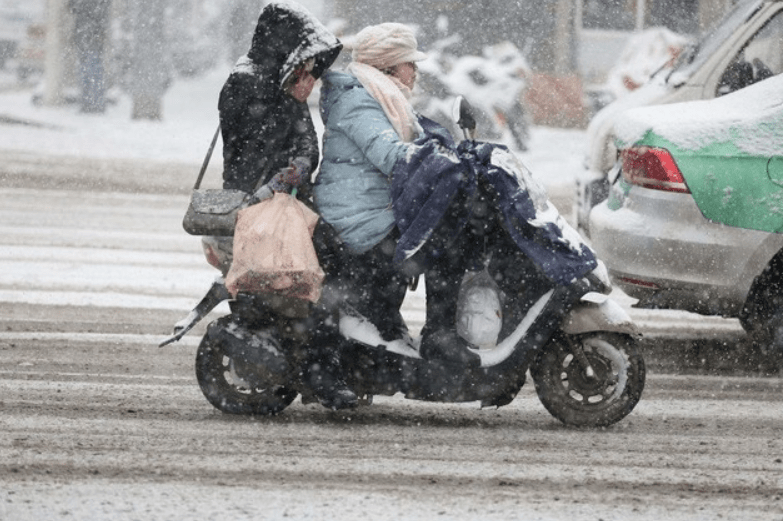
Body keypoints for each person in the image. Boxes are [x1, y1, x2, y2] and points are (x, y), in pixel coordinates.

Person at [315, 23, 600, 365]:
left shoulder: (383, 97)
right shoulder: (358, 102)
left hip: (376, 208)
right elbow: (392, 155)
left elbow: (417, 143)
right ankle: (440, 335)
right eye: (410, 62)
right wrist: (437, 159)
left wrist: (454, 152)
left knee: (462, 225)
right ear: (388, 65)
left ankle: (447, 330)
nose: (416, 70)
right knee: (452, 240)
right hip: (360, 220)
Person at [203, 1, 355, 410]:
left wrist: (299, 162)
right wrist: (289, 171)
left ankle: (329, 359)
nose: (311, 77)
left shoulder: (277, 86)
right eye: (305, 66)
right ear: (284, 51)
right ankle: (322, 369)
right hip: (265, 211)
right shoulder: (252, 86)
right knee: (329, 273)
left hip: (285, 204)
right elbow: (262, 156)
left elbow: (306, 149)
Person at [67, 0, 111, 113]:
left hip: (88, 34)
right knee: (90, 70)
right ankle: (92, 102)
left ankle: (92, 103)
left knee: (89, 70)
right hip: (91, 34)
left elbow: (73, 7)